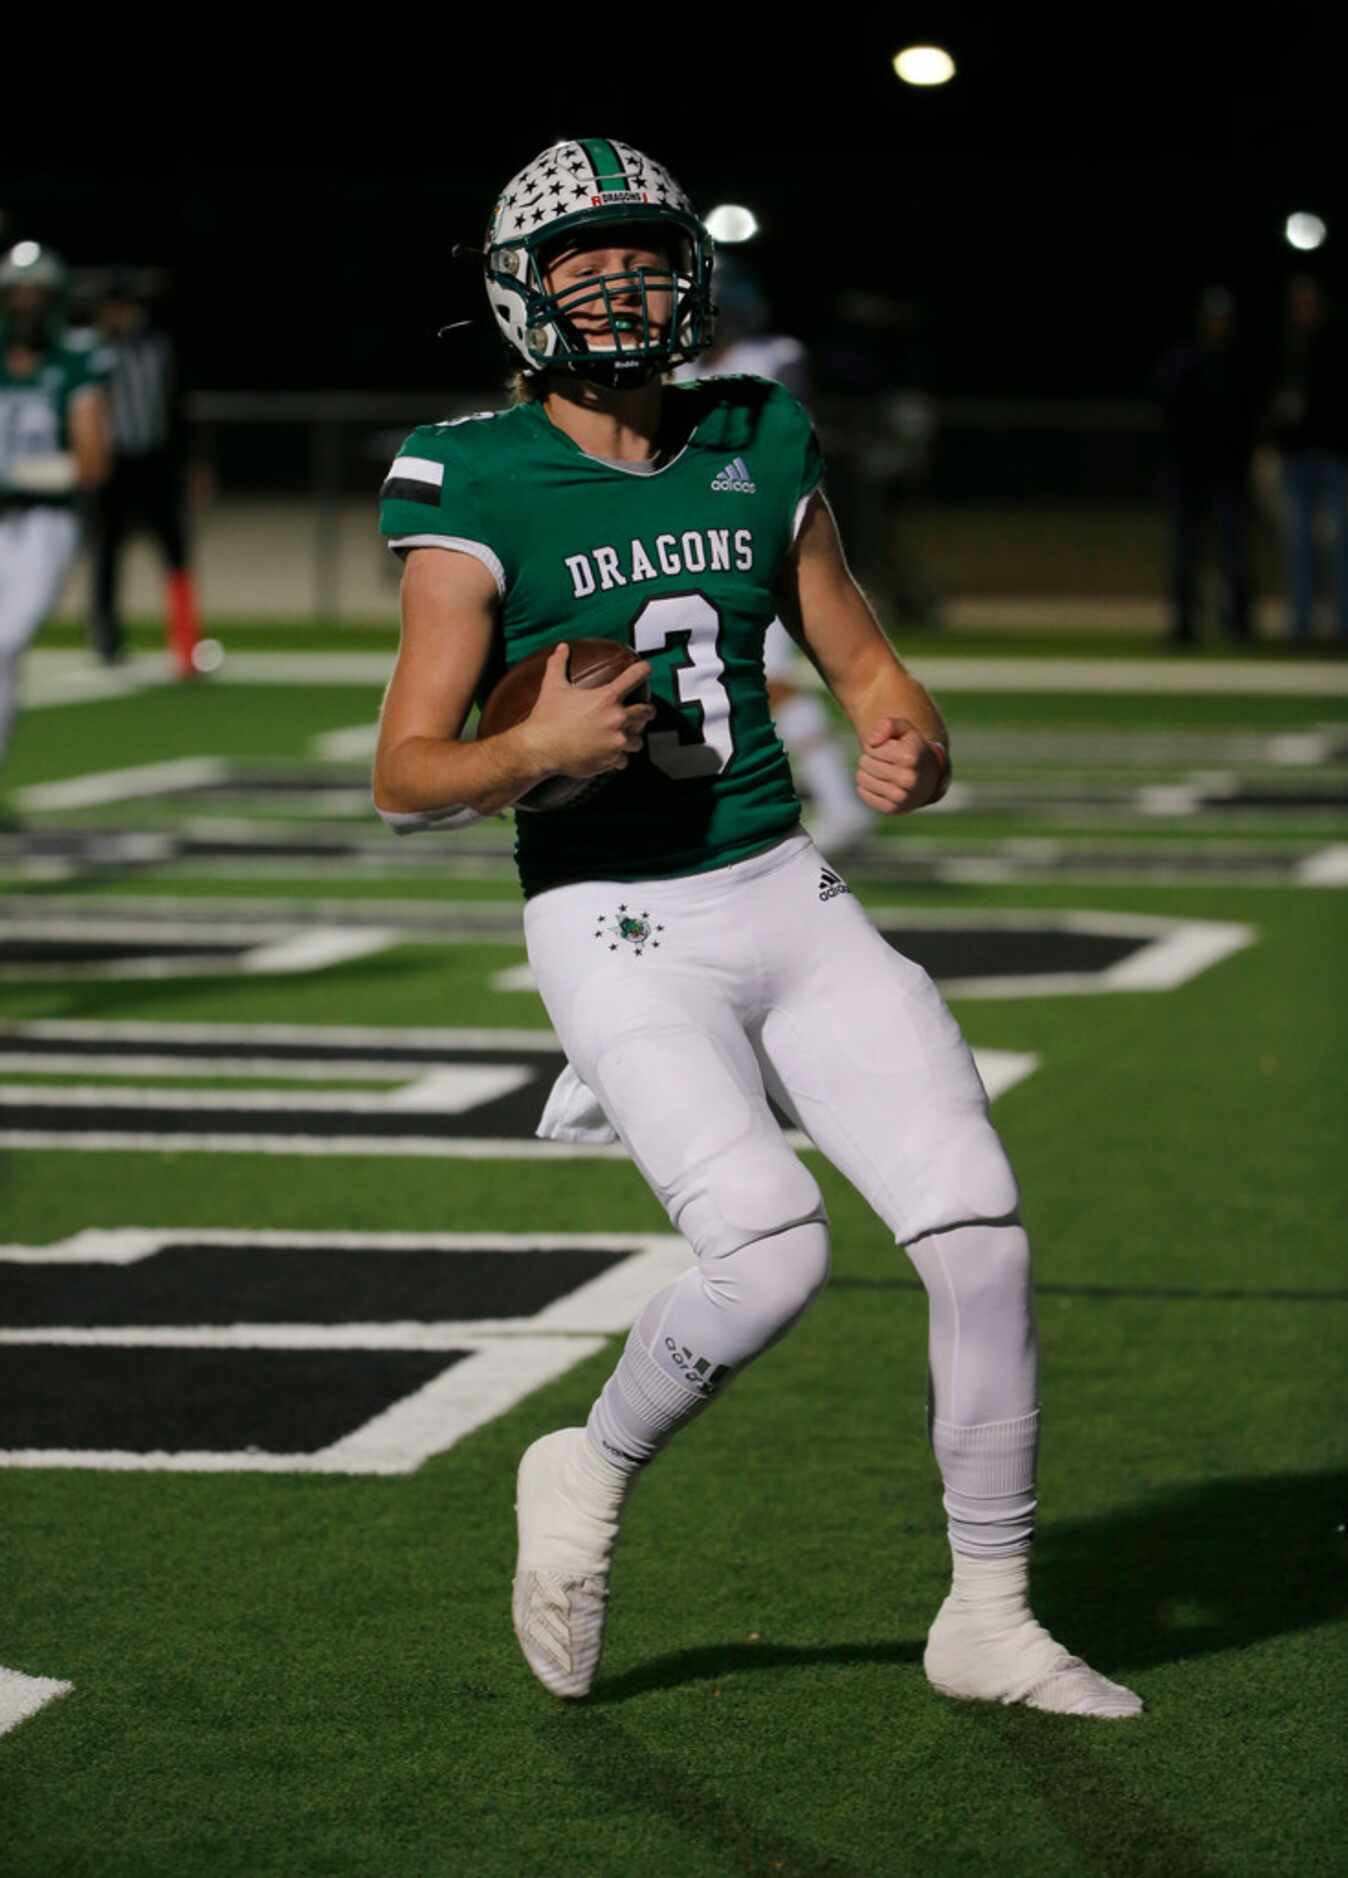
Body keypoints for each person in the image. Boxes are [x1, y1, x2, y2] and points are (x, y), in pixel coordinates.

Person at [373, 138, 1141, 1721]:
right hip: (614, 915)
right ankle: (583, 1466)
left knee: (978, 1232)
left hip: (782, 884)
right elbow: (405, 774)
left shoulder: (756, 432)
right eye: (584, 262)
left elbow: (858, 653)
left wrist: (909, 727)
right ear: (524, 297)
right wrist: (530, 753)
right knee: (772, 1252)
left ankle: (987, 1614)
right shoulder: (468, 475)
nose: (623, 284)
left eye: (642, 254)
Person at [676, 257, 870, 855]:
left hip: (763, 536)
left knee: (765, 676)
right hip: (695, 541)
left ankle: (839, 803)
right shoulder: (676, 367)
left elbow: (765, 444)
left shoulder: (774, 359)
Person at [0, 241, 110, 788]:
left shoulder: (74, 359)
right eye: (14, 292)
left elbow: (91, 462)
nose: (23, 304)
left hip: (45, 524)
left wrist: (15, 474)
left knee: (4, 641)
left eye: (32, 293)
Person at [87, 277, 203, 676]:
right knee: (107, 555)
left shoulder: (160, 347)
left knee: (176, 553)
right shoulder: (94, 353)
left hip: (157, 464)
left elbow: (180, 409)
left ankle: (186, 643)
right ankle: (107, 639)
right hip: (114, 467)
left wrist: (193, 464)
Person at [1154, 286, 1259, 647]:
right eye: (1213, 320)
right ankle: (1184, 626)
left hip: (1228, 475)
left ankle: (1240, 625)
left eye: (1223, 320)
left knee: (1235, 553)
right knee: (1185, 554)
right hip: (1190, 474)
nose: (1218, 326)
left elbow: (1250, 417)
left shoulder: (1240, 365)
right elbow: (1168, 412)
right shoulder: (1185, 363)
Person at [1269, 275, 1348, 644]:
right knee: (1298, 545)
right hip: (1297, 458)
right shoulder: (1285, 346)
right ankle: (1301, 626)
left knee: (1340, 544)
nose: (1303, 309)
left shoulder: (1335, 343)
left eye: (1309, 302)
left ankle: (1343, 623)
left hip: (1334, 456)